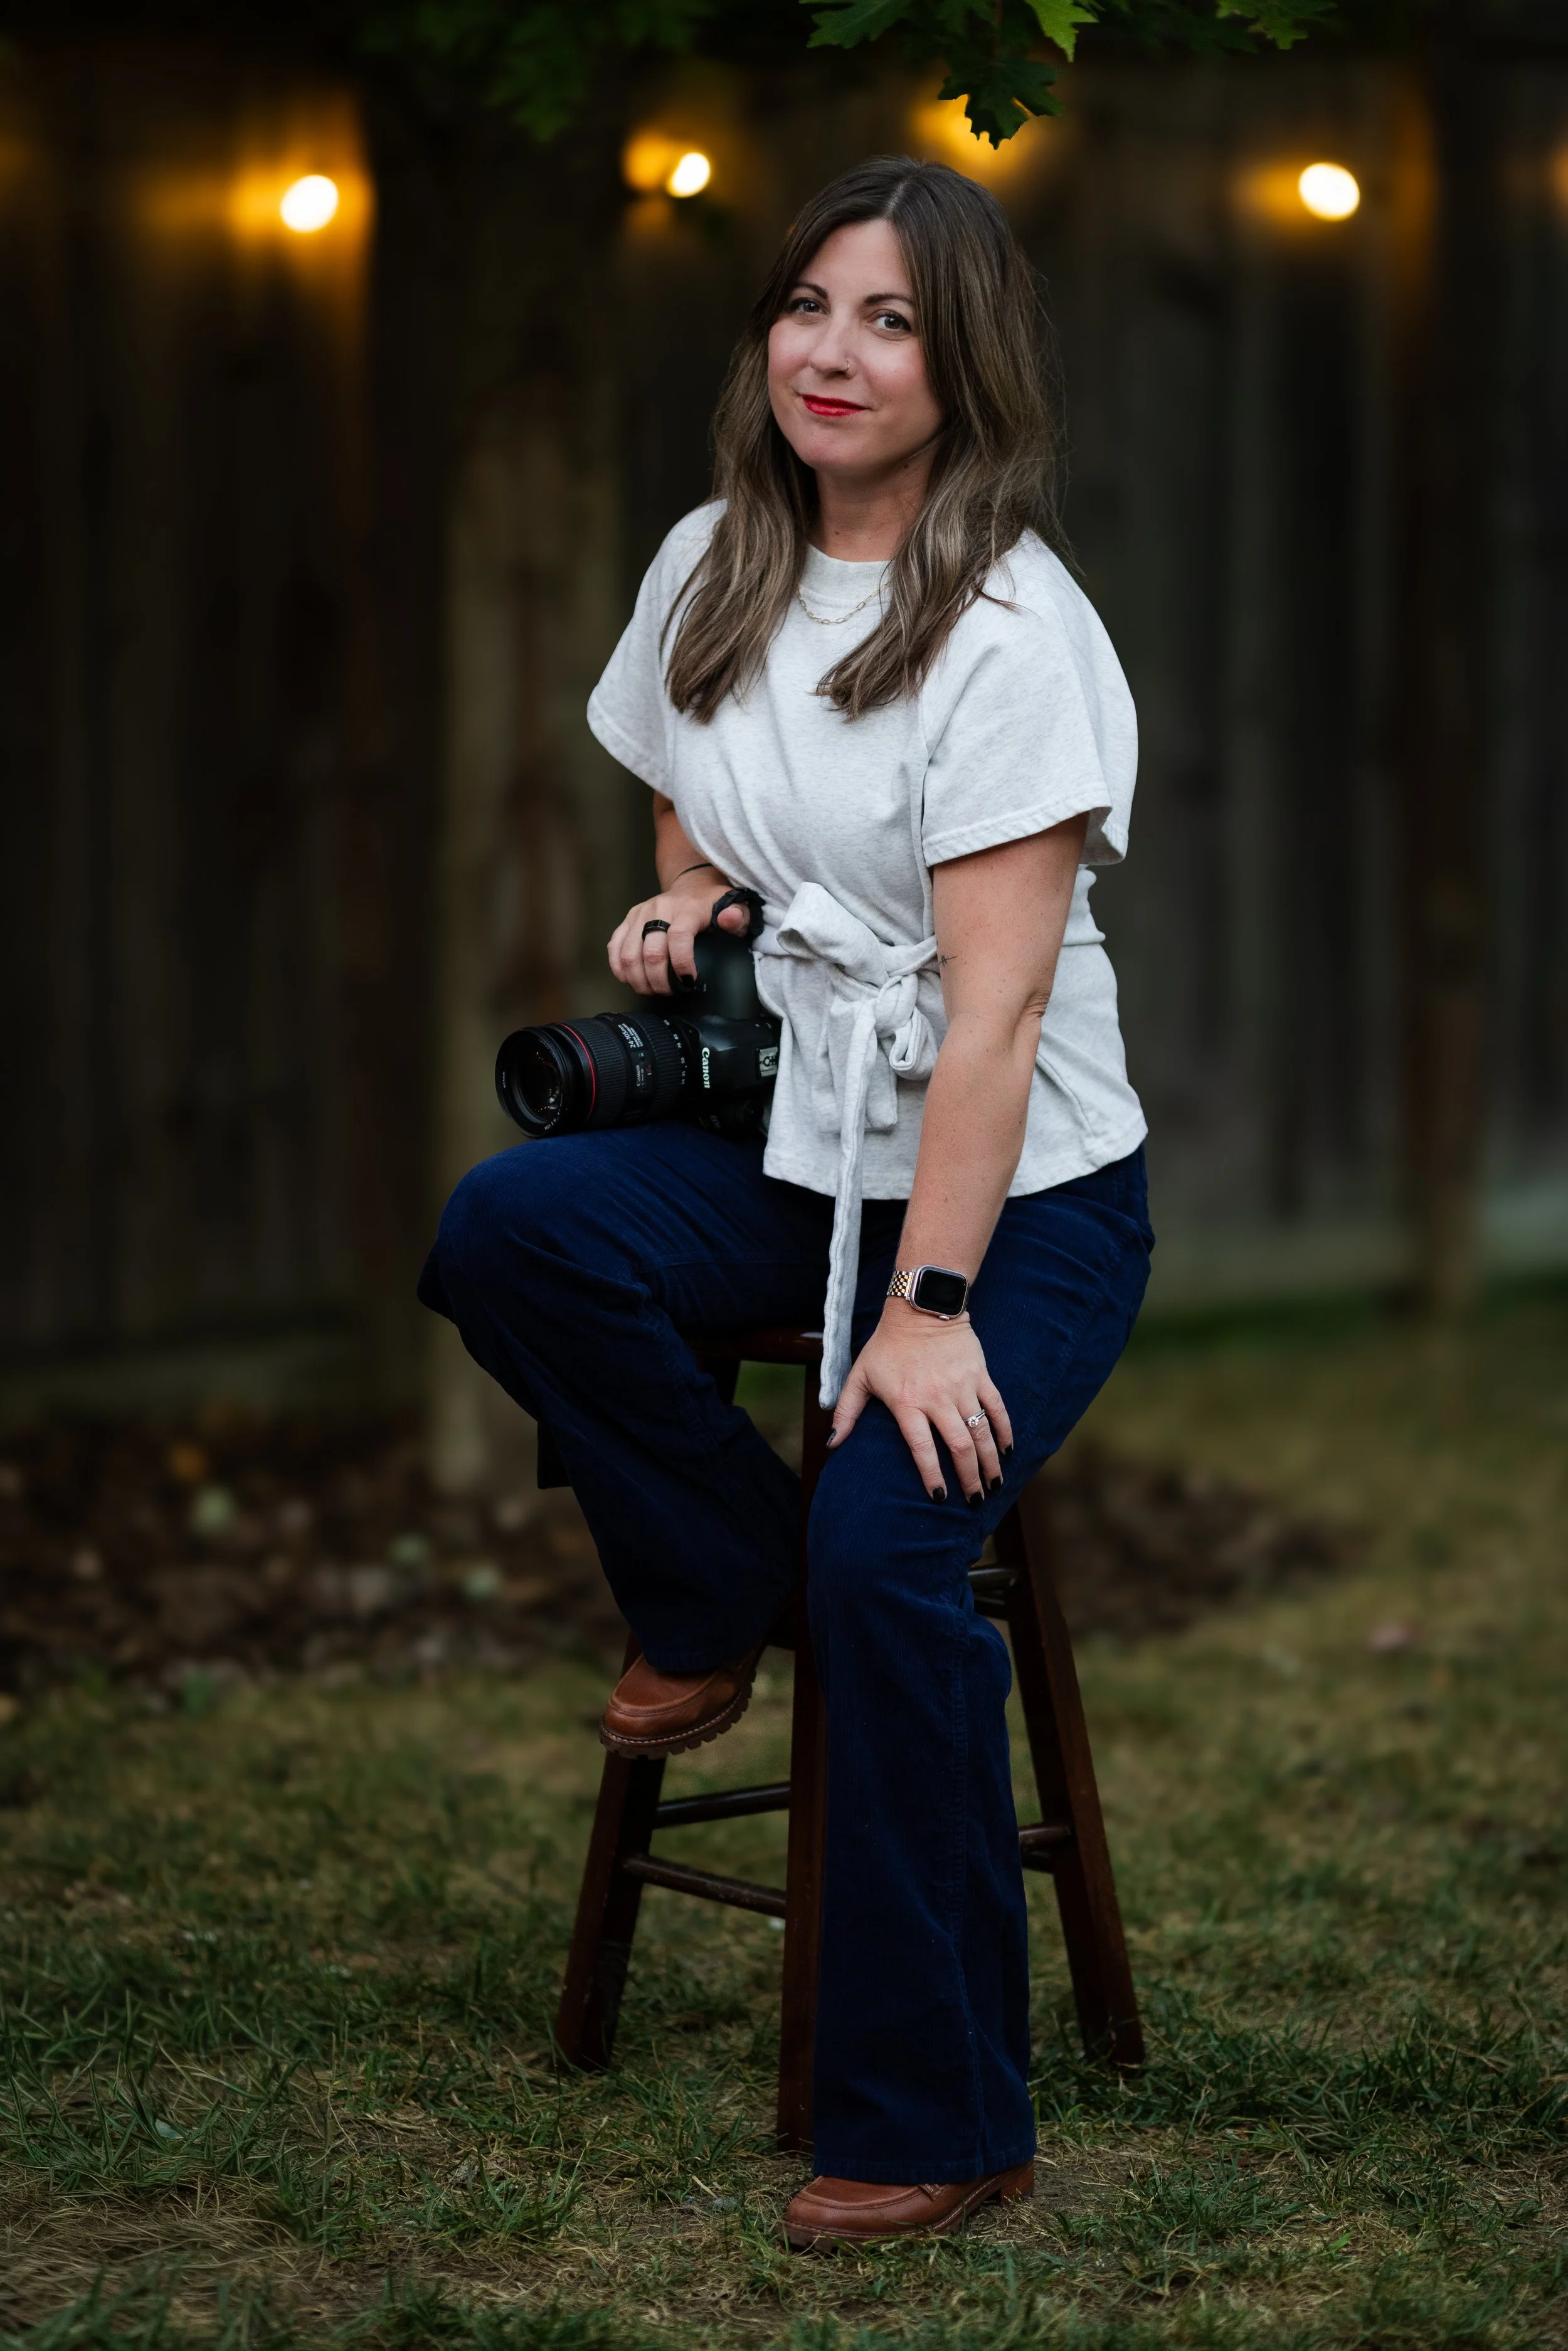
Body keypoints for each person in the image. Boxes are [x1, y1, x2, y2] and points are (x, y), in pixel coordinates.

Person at [420, 155, 1152, 2252]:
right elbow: (685, 768)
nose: (836, 353)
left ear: (961, 363)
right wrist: (689, 889)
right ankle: (713, 1588)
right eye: (811, 307)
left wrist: (927, 1307)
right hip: (788, 1147)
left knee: (885, 1543)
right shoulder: (710, 557)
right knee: (514, 1227)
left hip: (1018, 1202)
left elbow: (996, 1024)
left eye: (894, 322)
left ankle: (937, 2107)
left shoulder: (1011, 626)